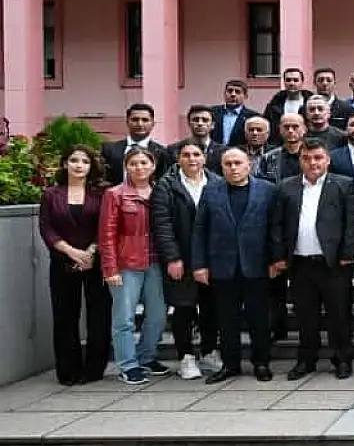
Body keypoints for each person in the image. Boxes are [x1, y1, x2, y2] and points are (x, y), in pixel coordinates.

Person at [269, 140, 354, 381]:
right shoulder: (286, 187)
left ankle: (342, 359)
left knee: (338, 315)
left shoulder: (343, 185)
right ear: (300, 160)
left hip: (333, 263)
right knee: (305, 316)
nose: (313, 163)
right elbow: (277, 225)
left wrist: (347, 254)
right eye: (307, 158)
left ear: (327, 159)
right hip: (299, 263)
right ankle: (306, 360)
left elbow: (352, 222)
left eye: (318, 158)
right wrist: (278, 257)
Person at [192, 148, 278, 383]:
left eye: (238, 162)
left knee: (258, 319)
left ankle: (261, 362)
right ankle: (231, 365)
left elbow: (274, 228)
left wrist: (275, 260)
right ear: (221, 167)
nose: (233, 167)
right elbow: (200, 230)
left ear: (248, 165)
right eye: (228, 163)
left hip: (257, 266)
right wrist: (199, 265)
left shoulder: (267, 190)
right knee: (226, 320)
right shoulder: (211, 191)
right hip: (222, 266)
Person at [39, 145, 111, 386]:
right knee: (64, 315)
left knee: (98, 315)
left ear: (92, 166)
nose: (79, 165)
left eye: (84, 162)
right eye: (74, 160)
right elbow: (46, 228)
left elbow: (106, 225)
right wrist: (70, 252)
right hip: (62, 261)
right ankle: (68, 370)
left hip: (96, 261)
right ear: (64, 164)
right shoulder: (51, 194)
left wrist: (90, 252)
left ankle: (93, 369)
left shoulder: (102, 193)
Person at [99, 147, 170, 386]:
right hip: (126, 263)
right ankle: (128, 365)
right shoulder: (115, 194)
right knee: (124, 318)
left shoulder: (161, 190)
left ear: (153, 166)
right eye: (133, 164)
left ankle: (146, 357)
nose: (139, 168)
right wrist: (110, 269)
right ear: (126, 167)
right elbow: (106, 234)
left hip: (156, 262)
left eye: (144, 163)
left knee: (158, 315)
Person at [152, 139, 220, 381]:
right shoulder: (166, 186)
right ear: (178, 159)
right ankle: (186, 356)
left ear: (205, 158)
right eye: (186, 155)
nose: (192, 159)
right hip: (181, 257)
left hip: (210, 258)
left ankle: (210, 350)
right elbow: (162, 224)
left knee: (211, 307)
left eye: (196, 154)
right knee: (183, 307)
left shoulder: (217, 183)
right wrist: (172, 257)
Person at [101, 103, 173, 185]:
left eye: (145, 120)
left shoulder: (162, 153)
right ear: (127, 122)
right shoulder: (109, 149)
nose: (140, 124)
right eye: (135, 119)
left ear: (153, 124)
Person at [211, 79, 260, 146]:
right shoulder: (212, 112)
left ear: (245, 96)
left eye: (237, 92)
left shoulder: (252, 116)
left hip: (240, 154)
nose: (233, 94)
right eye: (230, 91)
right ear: (224, 94)